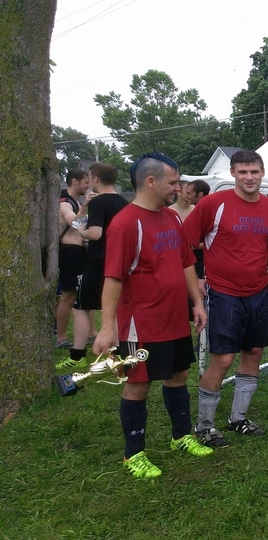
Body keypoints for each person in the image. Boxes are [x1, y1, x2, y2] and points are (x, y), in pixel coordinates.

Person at [93, 152, 213, 479]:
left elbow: (186, 262)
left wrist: (197, 304)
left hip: (174, 318)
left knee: (177, 377)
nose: (178, 188)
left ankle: (181, 437)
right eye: (173, 182)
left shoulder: (173, 218)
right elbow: (113, 278)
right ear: (151, 181)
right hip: (140, 325)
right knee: (138, 384)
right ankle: (134, 455)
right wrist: (107, 328)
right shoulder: (126, 223)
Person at [183, 150, 268, 448]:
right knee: (223, 359)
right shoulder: (214, 203)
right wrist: (199, 277)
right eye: (242, 172)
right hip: (223, 292)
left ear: (262, 173)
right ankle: (204, 425)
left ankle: (238, 418)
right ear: (233, 174)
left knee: (253, 353)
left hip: (258, 293)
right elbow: (186, 245)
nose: (248, 177)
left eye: (254, 172)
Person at [69, 163, 128, 368]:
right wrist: (84, 207)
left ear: (95, 178)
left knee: (80, 307)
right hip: (119, 261)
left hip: (98, 261)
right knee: (115, 306)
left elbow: (94, 233)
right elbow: (77, 222)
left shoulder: (99, 202)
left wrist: (82, 234)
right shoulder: (123, 201)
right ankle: (119, 351)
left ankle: (76, 355)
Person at [55, 168, 93, 353]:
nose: (88, 186)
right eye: (85, 182)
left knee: (85, 293)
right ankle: (61, 337)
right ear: (74, 181)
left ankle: (92, 332)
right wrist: (85, 206)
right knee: (68, 296)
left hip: (80, 252)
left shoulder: (76, 202)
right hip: (69, 253)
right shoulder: (64, 202)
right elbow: (75, 223)